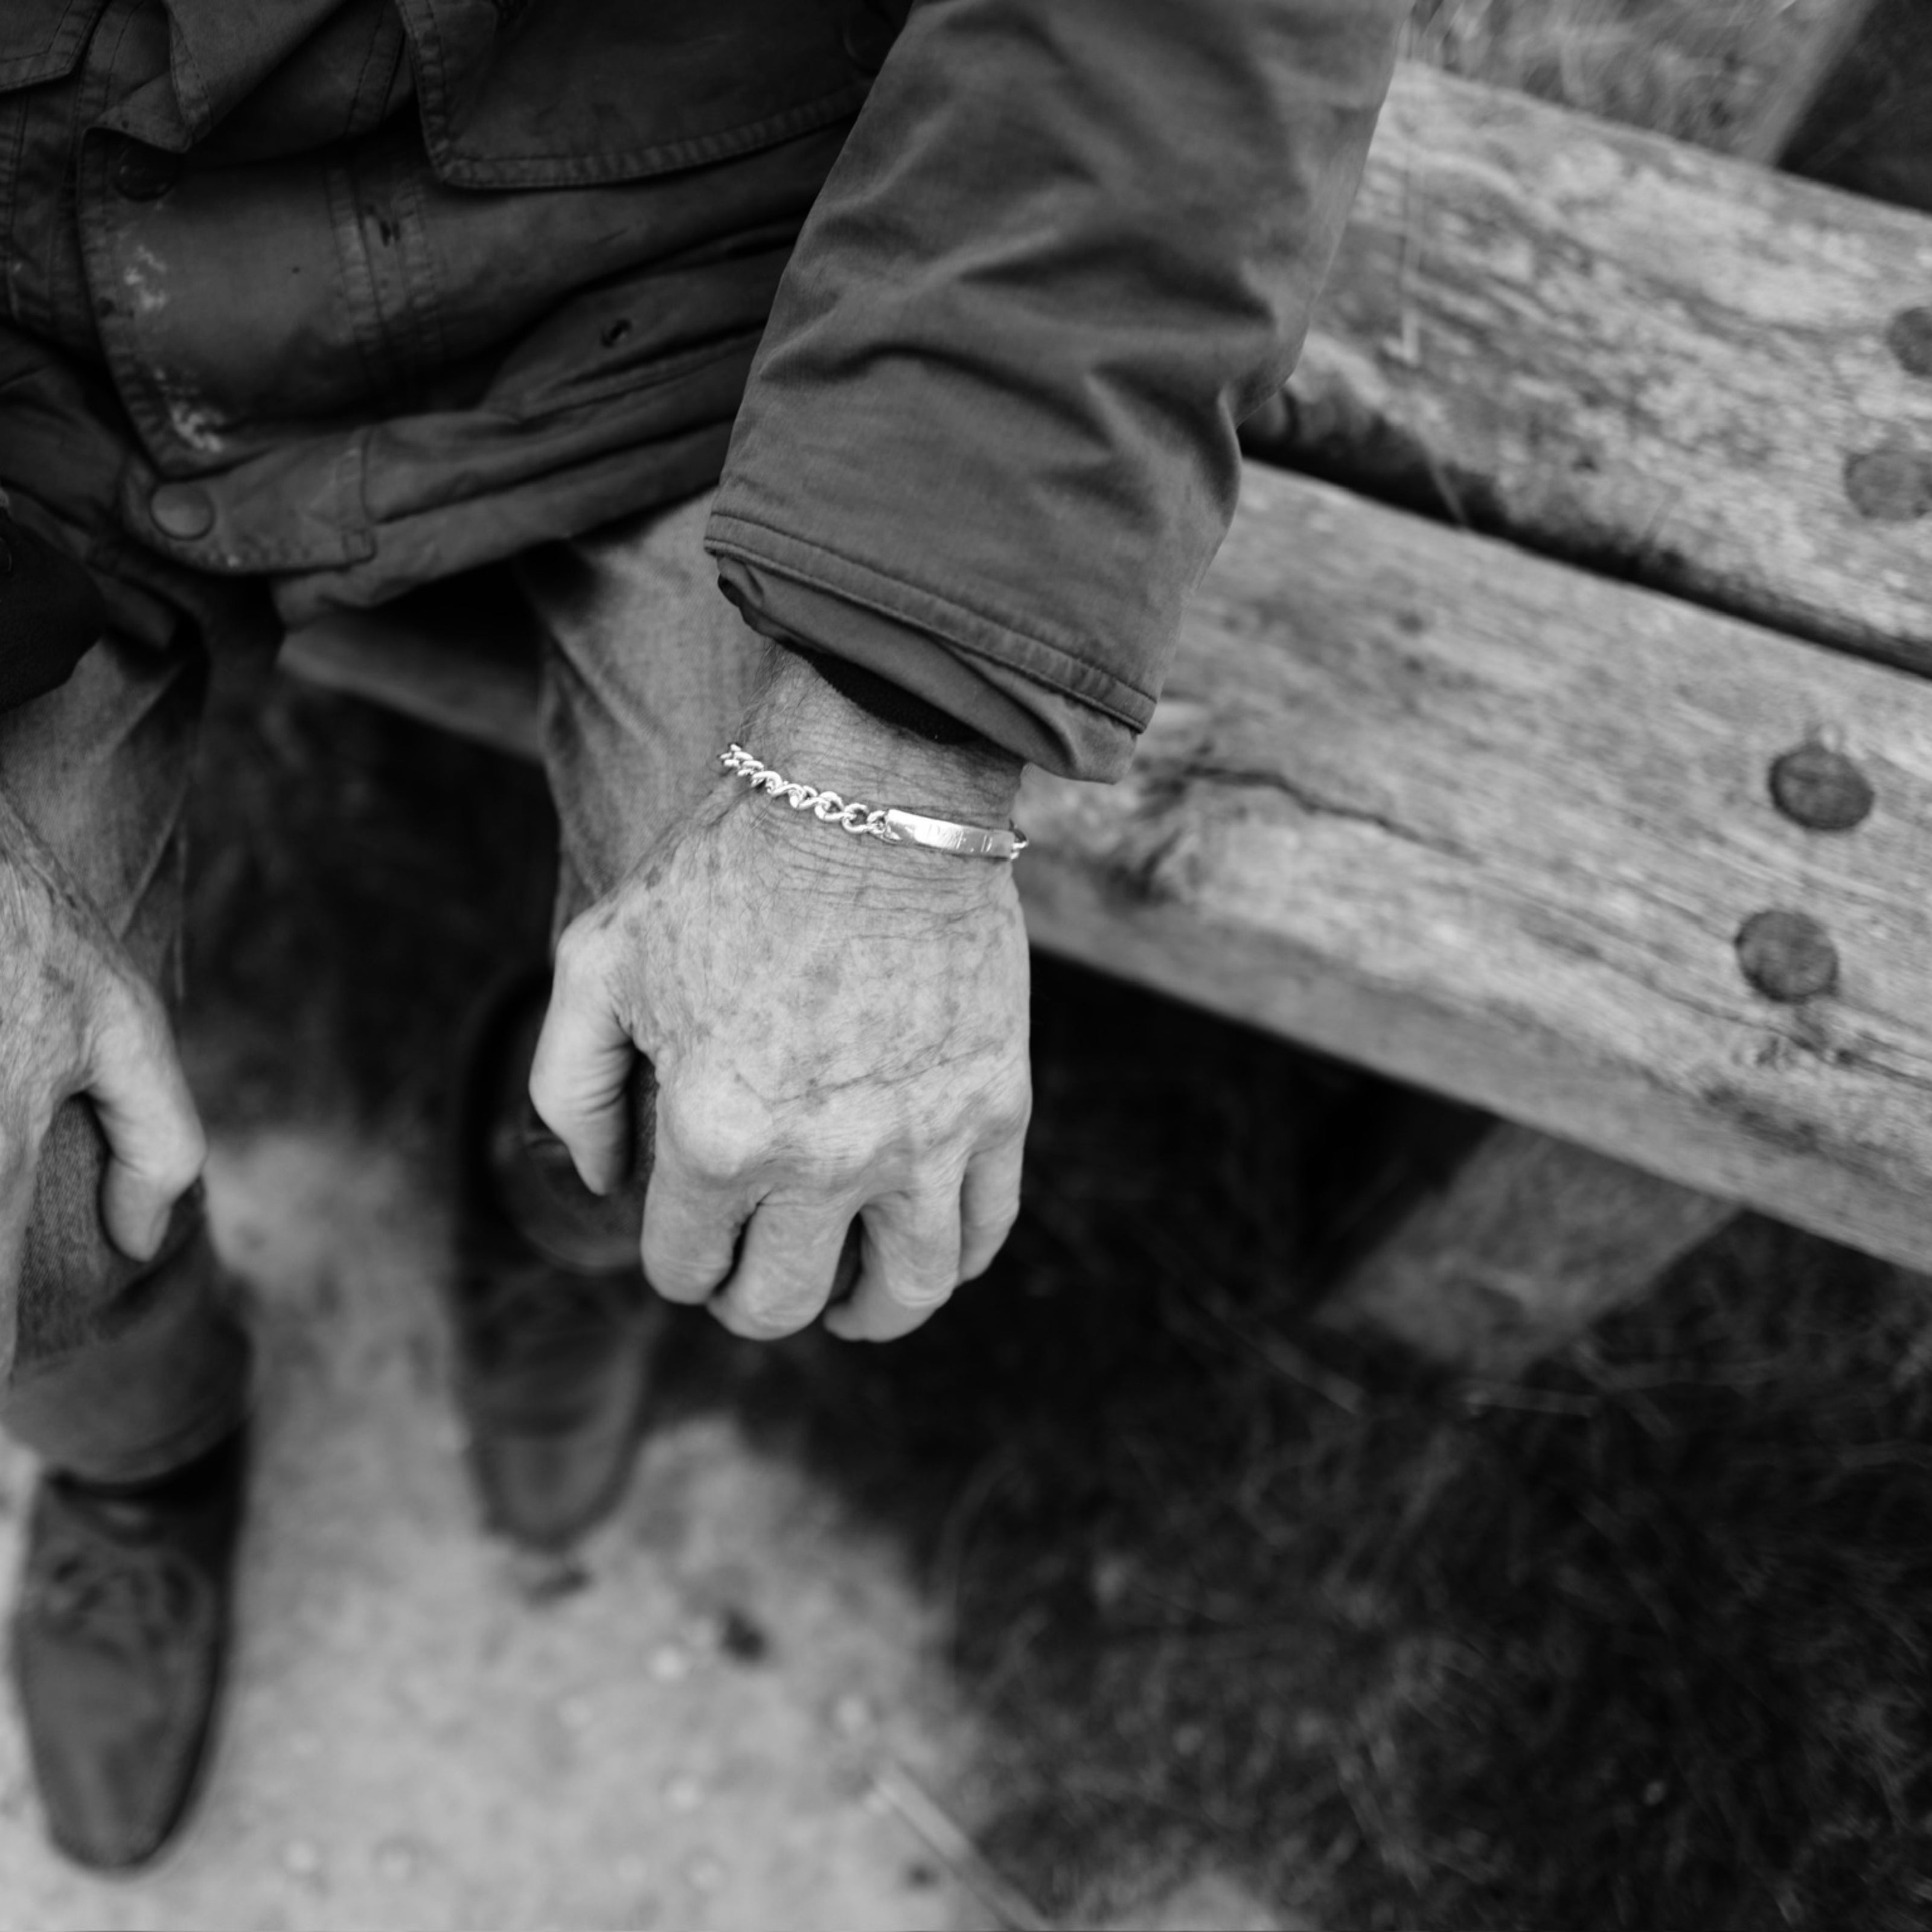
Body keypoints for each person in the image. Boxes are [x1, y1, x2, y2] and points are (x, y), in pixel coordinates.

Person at [0, 0, 1403, 1871]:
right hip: (26, 357)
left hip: (712, 283)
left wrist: (897, 761)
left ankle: (551, 1199)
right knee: (13, 1206)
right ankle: (142, 1446)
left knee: (715, 1110)